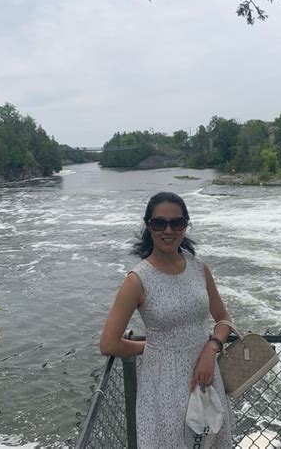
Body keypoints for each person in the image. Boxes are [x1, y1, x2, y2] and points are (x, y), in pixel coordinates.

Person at [100, 191, 234, 448]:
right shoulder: (138, 280)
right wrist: (154, 348)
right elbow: (108, 343)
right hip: (163, 387)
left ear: (185, 225)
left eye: (177, 222)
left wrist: (211, 347)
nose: (168, 230)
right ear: (148, 227)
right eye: (159, 223)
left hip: (205, 376)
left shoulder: (198, 268)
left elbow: (223, 318)